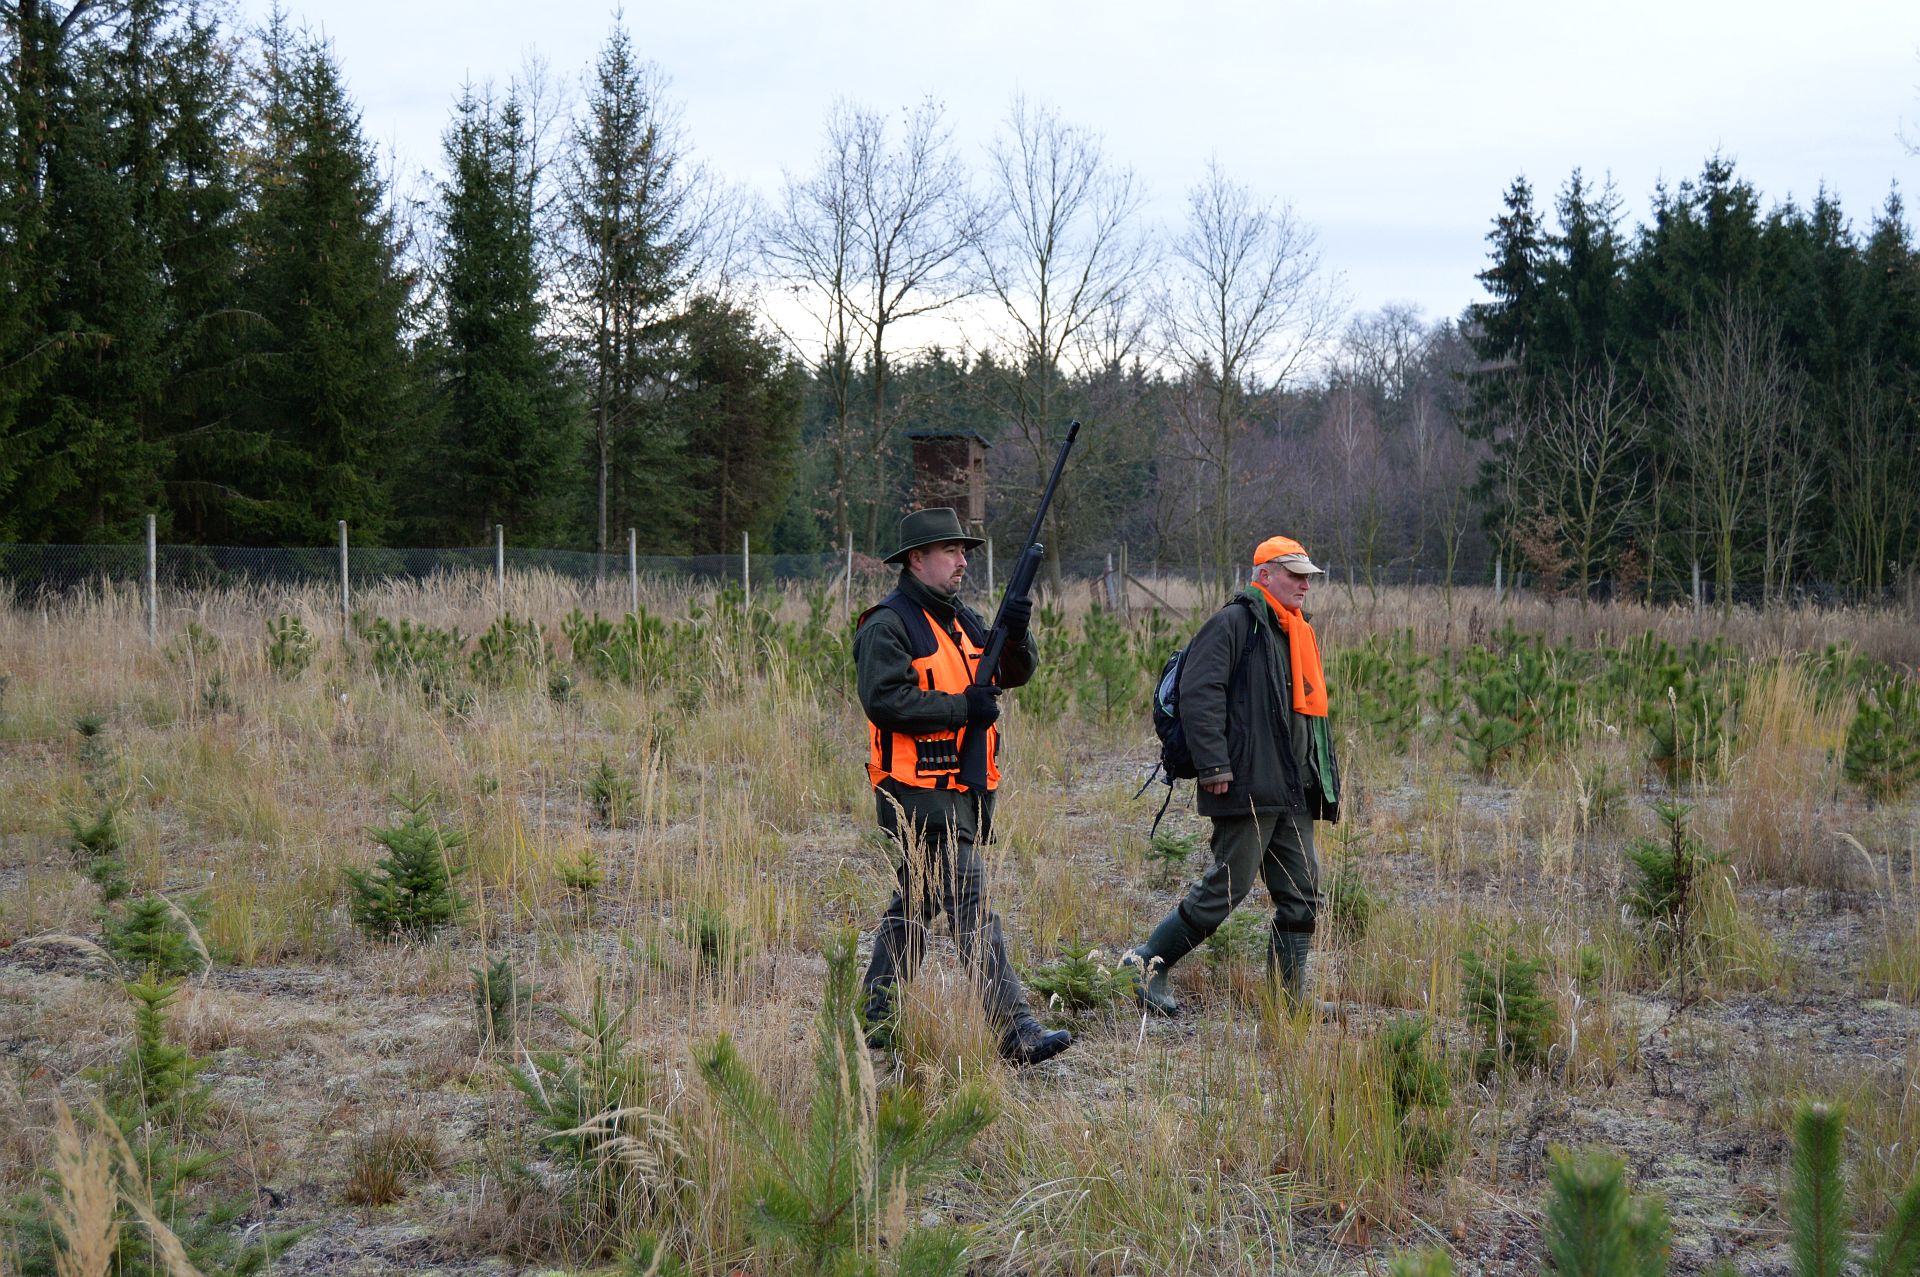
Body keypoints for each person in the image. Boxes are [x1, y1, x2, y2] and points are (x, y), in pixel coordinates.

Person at [855, 507, 1072, 1066]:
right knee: (970, 902)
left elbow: (1014, 673)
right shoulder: (888, 625)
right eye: (950, 551)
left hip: (959, 789)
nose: (962, 561)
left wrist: (1015, 633)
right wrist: (962, 708)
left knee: (918, 902)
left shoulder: (963, 620)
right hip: (916, 791)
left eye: (963, 552)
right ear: (916, 559)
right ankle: (1014, 1029)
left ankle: (875, 1015)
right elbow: (885, 700)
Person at [1125, 535, 1342, 1014]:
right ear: (1264, 575)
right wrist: (1214, 765)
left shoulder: (1296, 632)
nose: (1305, 584)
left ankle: (1287, 1004)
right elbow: (1200, 694)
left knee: (1303, 895)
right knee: (1225, 889)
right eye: (1294, 575)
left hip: (1292, 789)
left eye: (1307, 576)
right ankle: (1146, 964)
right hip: (1245, 785)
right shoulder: (1232, 624)